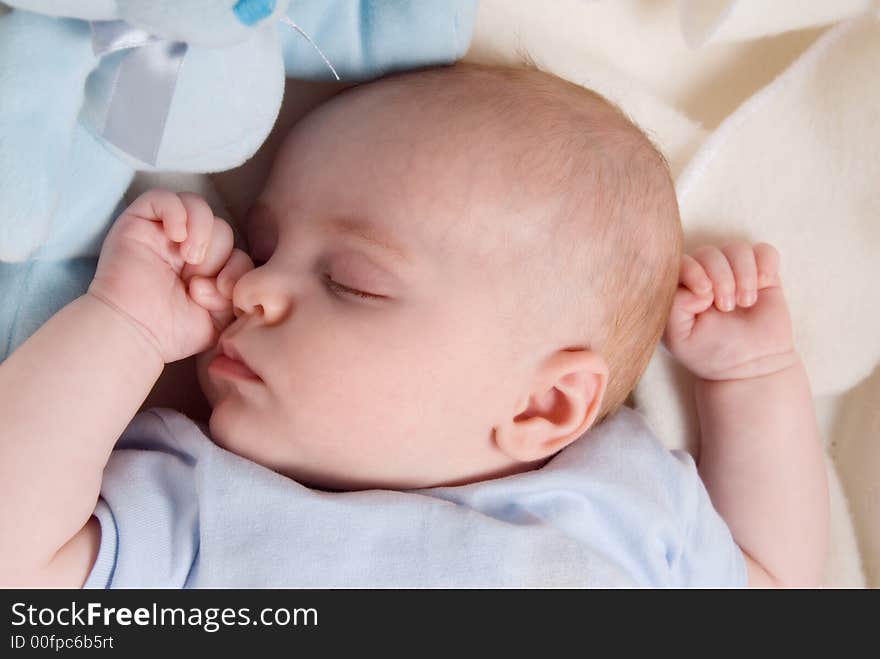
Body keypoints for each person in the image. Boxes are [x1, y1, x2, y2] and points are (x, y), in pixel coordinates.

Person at [0, 64, 827, 587]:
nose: (253, 290)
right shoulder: (196, 500)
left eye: (350, 283)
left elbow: (776, 583)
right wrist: (125, 328)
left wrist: (750, 382)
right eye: (260, 248)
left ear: (543, 407)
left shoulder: (620, 502)